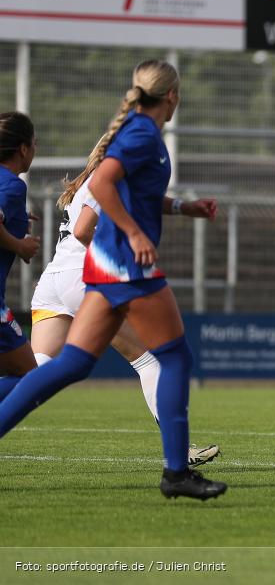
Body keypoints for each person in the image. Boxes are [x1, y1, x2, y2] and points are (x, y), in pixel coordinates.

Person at [0, 60, 226, 500]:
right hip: (120, 268)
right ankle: (177, 470)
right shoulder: (142, 134)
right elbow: (102, 193)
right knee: (167, 359)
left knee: (64, 366)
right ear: (173, 96)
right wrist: (137, 233)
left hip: (78, 276)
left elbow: (124, 192)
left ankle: (177, 468)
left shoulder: (139, 134)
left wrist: (183, 208)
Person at [29, 167, 220, 468]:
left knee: (31, 369)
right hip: (83, 276)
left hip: (53, 279)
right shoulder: (107, 178)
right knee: (148, 360)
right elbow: (82, 232)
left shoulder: (88, 181)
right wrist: (115, 257)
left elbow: (146, 199)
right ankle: (179, 453)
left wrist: (183, 207)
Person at [0, 111, 41, 400]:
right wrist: (20, 245)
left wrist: (17, 219)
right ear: (23, 149)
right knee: (31, 379)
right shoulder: (13, 185)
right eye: (34, 144)